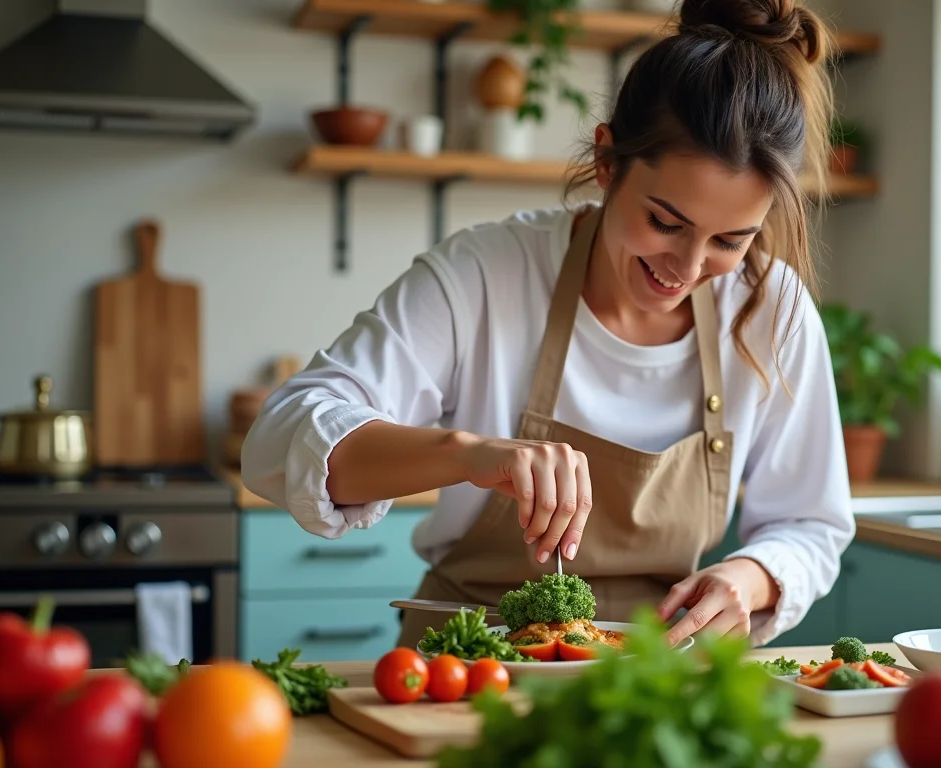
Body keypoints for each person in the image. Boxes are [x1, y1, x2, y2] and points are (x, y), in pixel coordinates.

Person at [241, 0, 854, 650]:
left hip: (654, 672)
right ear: (608, 161)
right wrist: (469, 455)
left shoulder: (770, 308)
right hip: (468, 667)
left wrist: (752, 577)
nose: (687, 267)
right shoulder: (485, 273)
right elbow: (281, 438)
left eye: (731, 240)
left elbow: (811, 523)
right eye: (666, 223)